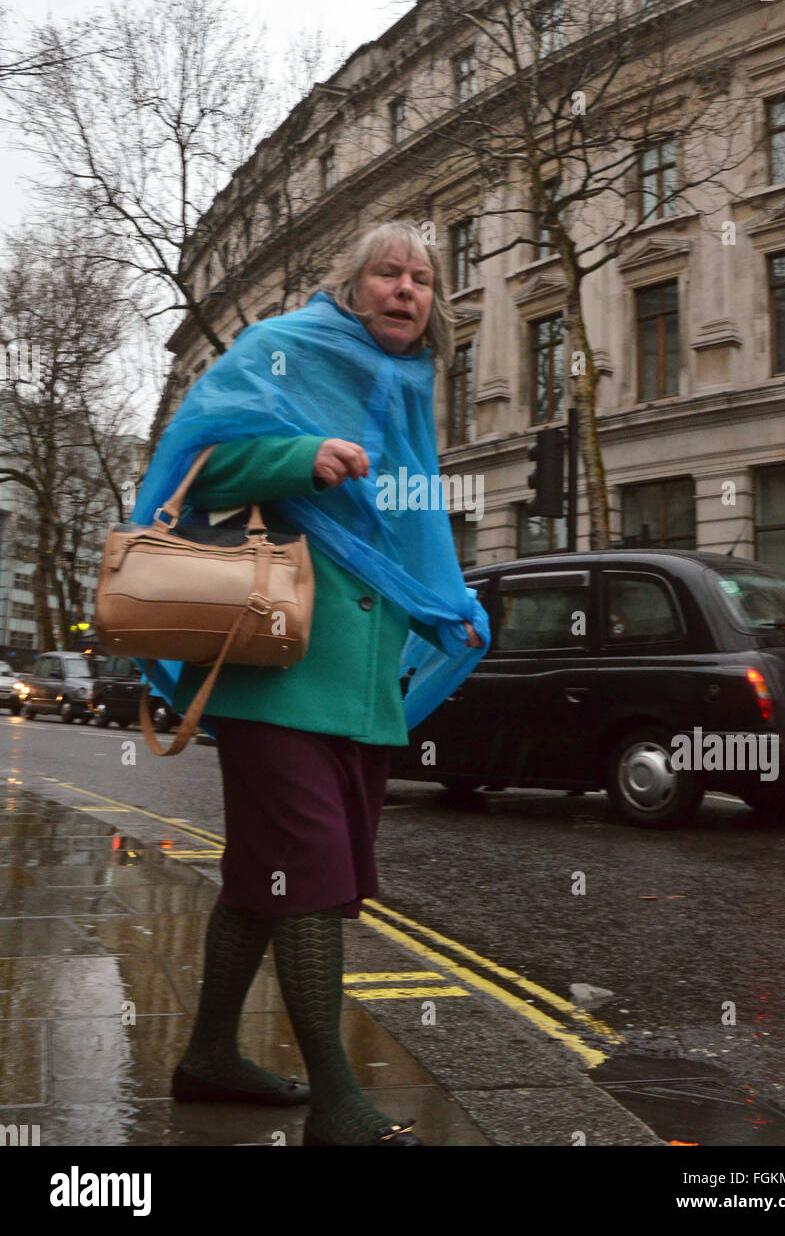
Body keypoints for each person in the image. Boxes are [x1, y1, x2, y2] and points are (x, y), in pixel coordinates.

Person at [138, 221, 487, 1146]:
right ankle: (337, 1101)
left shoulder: (409, 390)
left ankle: (209, 1056)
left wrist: (439, 601)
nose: (405, 288)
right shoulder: (279, 351)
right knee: (311, 880)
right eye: (386, 272)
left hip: (360, 684)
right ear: (351, 283)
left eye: (421, 277)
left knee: (264, 881)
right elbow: (194, 467)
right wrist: (301, 457)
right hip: (276, 672)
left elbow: (401, 536)